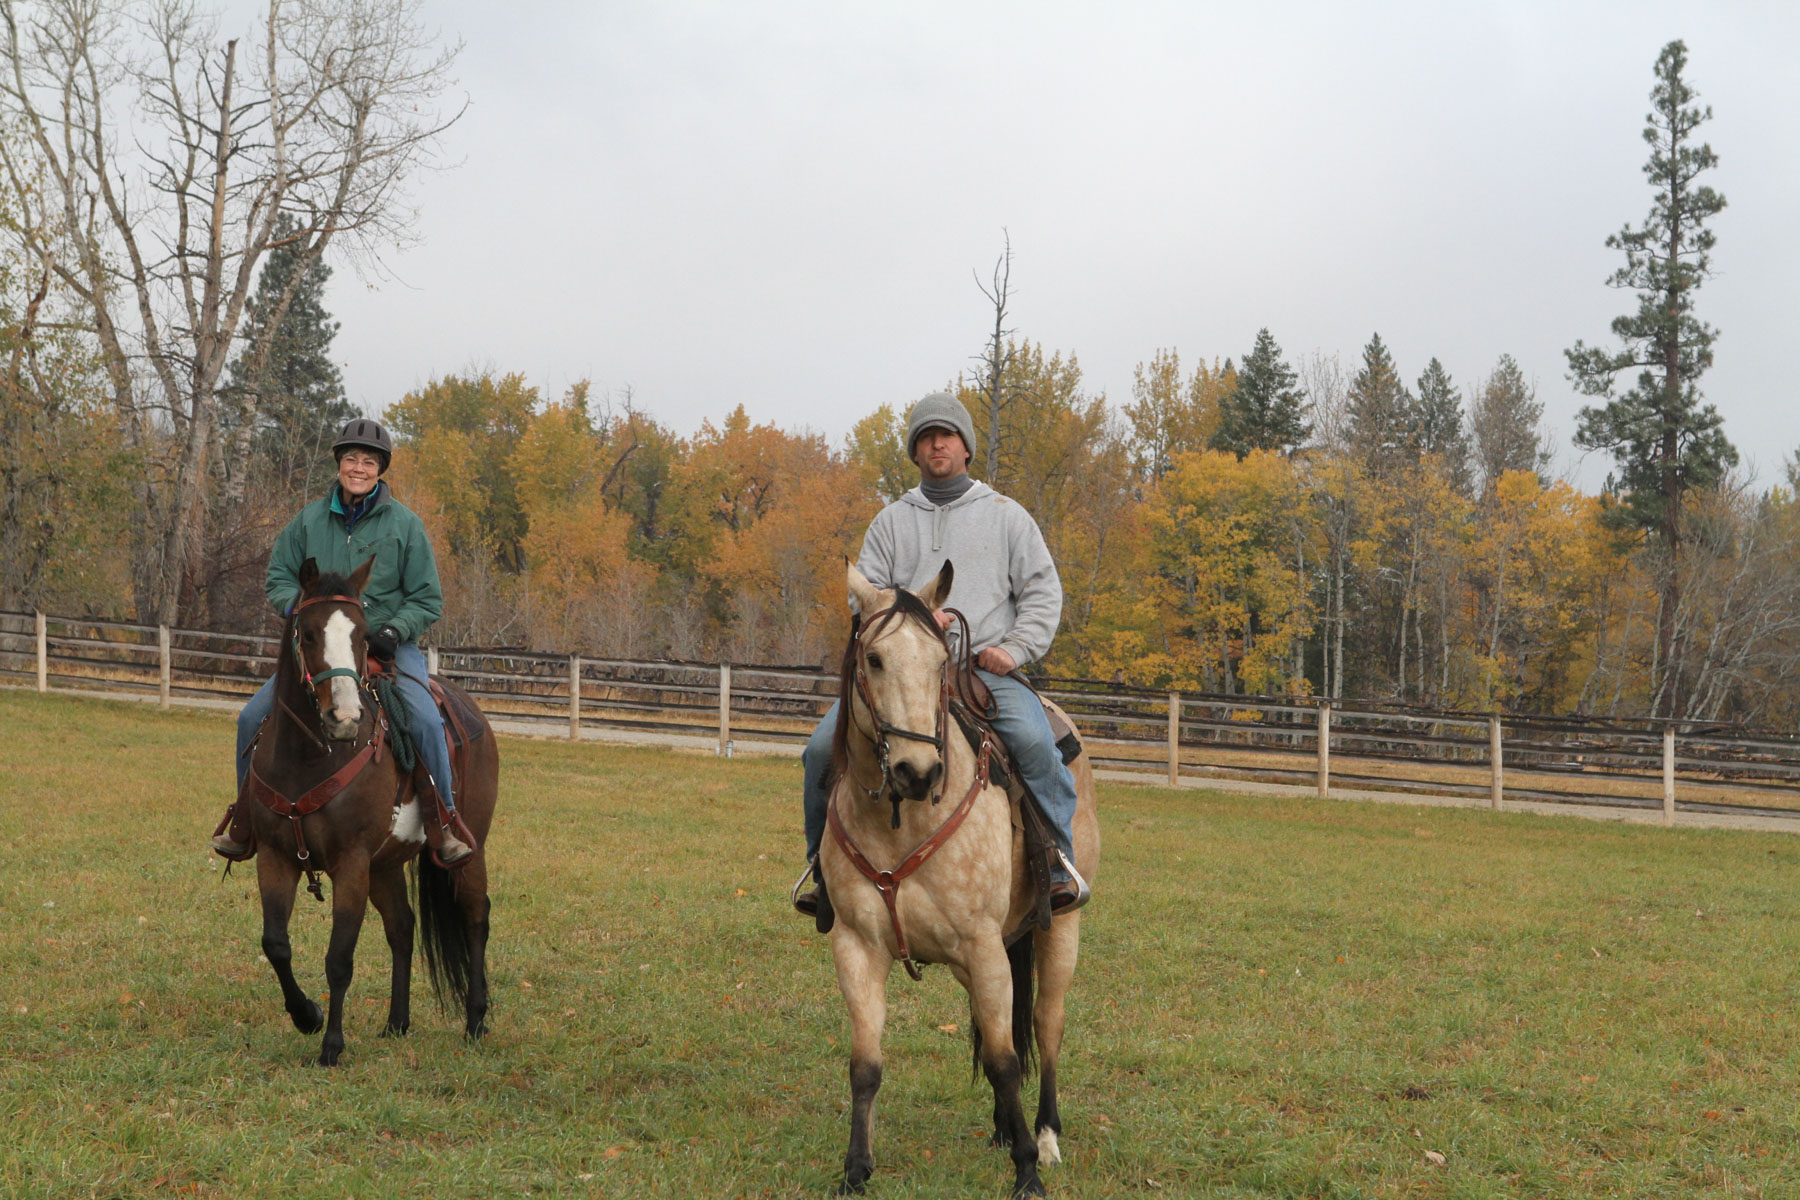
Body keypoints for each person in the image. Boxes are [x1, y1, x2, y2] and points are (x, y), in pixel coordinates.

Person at [794, 391, 1089, 920]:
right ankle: (822, 870)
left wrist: (1012, 649)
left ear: (966, 447)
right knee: (820, 751)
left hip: (980, 671)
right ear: (914, 451)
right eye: (926, 437)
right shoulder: (891, 522)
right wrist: (911, 625)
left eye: (946, 435)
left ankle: (1055, 862)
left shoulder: (1006, 517)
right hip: (900, 676)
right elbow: (863, 597)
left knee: (1036, 742)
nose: (937, 444)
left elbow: (1044, 593)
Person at [211, 418, 473, 865]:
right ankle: (246, 819)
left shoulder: (406, 526)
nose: (358, 468)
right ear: (338, 464)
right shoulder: (308, 520)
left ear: (380, 469)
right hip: (320, 650)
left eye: (368, 461)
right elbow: (277, 577)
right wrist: (305, 613)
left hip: (386, 646)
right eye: (351, 458)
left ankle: (443, 822)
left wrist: (394, 629)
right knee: (250, 717)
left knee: (428, 723)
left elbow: (427, 598)